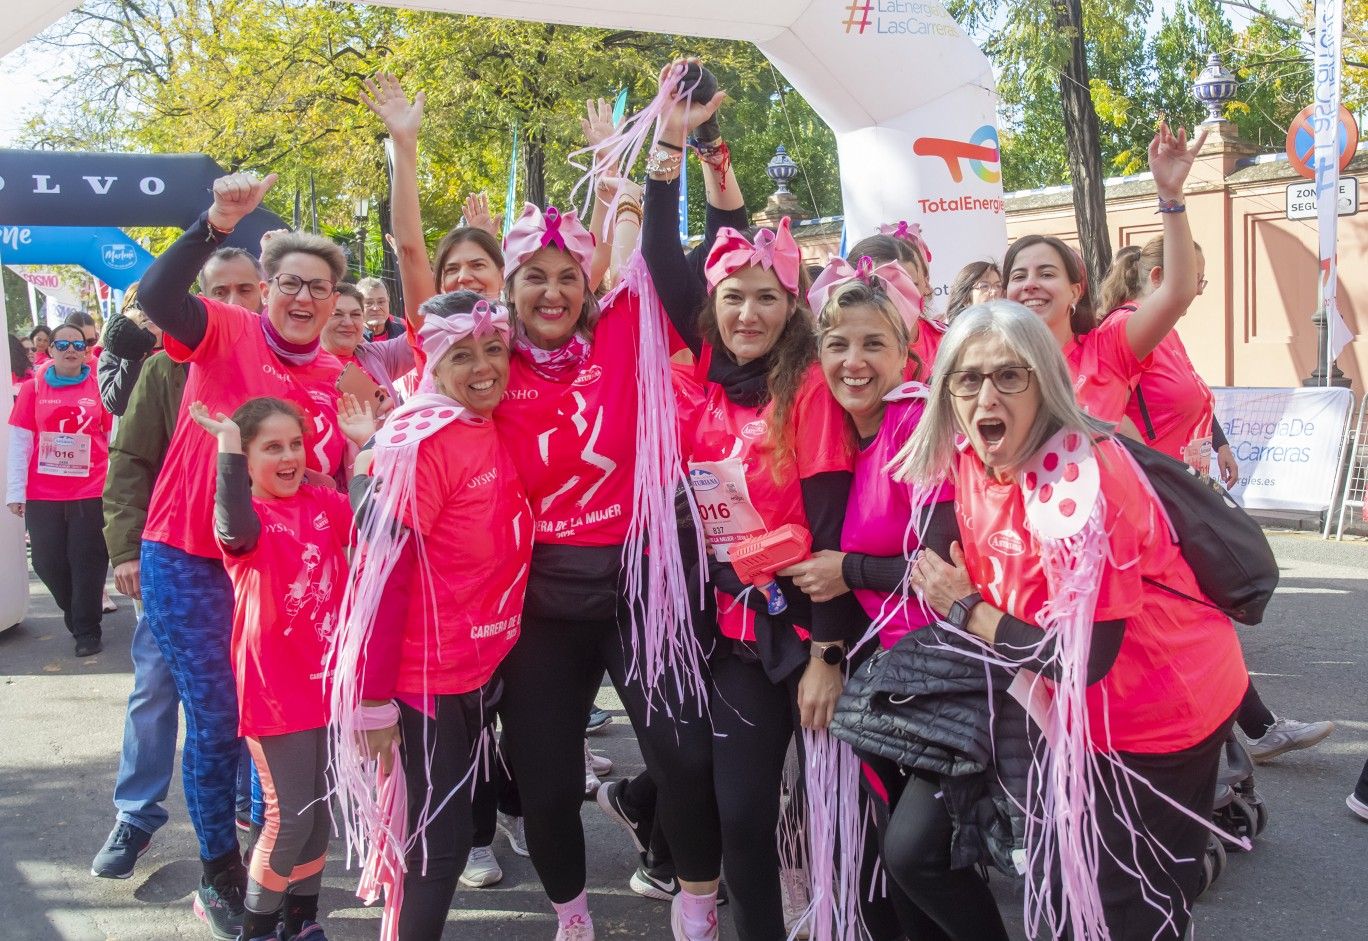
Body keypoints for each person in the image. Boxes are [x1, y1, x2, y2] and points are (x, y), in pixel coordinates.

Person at [900, 299, 1247, 940]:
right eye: (968, 379)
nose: (986, 396)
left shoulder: (1086, 478)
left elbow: (1082, 660)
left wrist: (966, 607)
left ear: (1046, 382)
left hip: (1159, 716)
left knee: (1121, 910)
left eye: (1010, 375)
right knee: (1067, 900)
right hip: (1071, 721)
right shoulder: (973, 461)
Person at [137, 169, 347, 940]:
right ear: (266, 286)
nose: (302, 298)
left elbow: (337, 485)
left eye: (318, 288)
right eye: (289, 282)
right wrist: (214, 224)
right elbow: (156, 299)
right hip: (191, 557)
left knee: (281, 730)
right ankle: (220, 874)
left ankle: (280, 874)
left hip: (278, 579)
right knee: (220, 721)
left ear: (334, 301)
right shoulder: (225, 330)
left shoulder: (334, 377)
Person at [803, 273, 1014, 941]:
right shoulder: (844, 435)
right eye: (837, 344)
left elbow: (938, 566)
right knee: (907, 865)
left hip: (948, 673)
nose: (853, 361)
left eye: (873, 344)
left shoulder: (914, 424)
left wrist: (847, 570)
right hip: (894, 678)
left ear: (906, 356)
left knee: (915, 854)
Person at [331, 296, 530, 940]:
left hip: (475, 670)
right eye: (462, 355)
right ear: (431, 362)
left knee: (434, 835)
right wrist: (373, 701)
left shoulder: (483, 424)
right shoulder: (422, 441)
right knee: (436, 845)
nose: (482, 368)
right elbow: (378, 577)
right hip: (425, 681)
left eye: (493, 350)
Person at [1098, 237, 1335, 765]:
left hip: (1182, 491)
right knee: (1201, 612)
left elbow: (1196, 395)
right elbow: (1105, 406)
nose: (1199, 289)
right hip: (1154, 500)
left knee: (1200, 613)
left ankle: (1245, 730)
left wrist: (1220, 443)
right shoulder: (1126, 328)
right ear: (1161, 276)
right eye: (1196, 278)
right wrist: (1153, 472)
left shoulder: (1167, 334)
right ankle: (1241, 731)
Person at [191, 396, 353, 941]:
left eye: (295, 444)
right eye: (271, 447)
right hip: (276, 693)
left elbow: (373, 530)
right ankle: (256, 930)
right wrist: (229, 451)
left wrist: (364, 447)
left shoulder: (324, 502)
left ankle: (300, 923)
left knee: (318, 818)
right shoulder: (249, 521)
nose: (287, 456)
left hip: (330, 685)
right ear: (248, 457)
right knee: (289, 821)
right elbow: (231, 522)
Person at [1003, 123, 1205, 426]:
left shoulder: (1107, 350)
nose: (1030, 284)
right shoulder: (989, 363)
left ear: (1075, 290)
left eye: (1046, 274)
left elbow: (1178, 291)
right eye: (1018, 277)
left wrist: (1171, 195)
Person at [6, 322, 113, 657]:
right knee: (46, 562)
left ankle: (87, 629)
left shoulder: (99, 385)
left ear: (86, 350)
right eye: (62, 344)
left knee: (88, 562)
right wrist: (15, 491)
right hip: (43, 493)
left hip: (90, 489)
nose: (71, 350)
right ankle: (76, 612)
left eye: (78, 345)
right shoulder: (33, 388)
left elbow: (112, 438)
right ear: (49, 349)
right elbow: (21, 441)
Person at [844, 232, 944, 382]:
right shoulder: (836, 360)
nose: (897, 300)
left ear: (925, 284)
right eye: (879, 289)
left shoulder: (948, 342)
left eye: (908, 287)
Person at [322, 282, 414, 410]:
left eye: (355, 314)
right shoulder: (302, 366)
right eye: (337, 314)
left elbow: (420, 332)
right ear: (320, 318)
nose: (348, 322)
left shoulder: (375, 355)